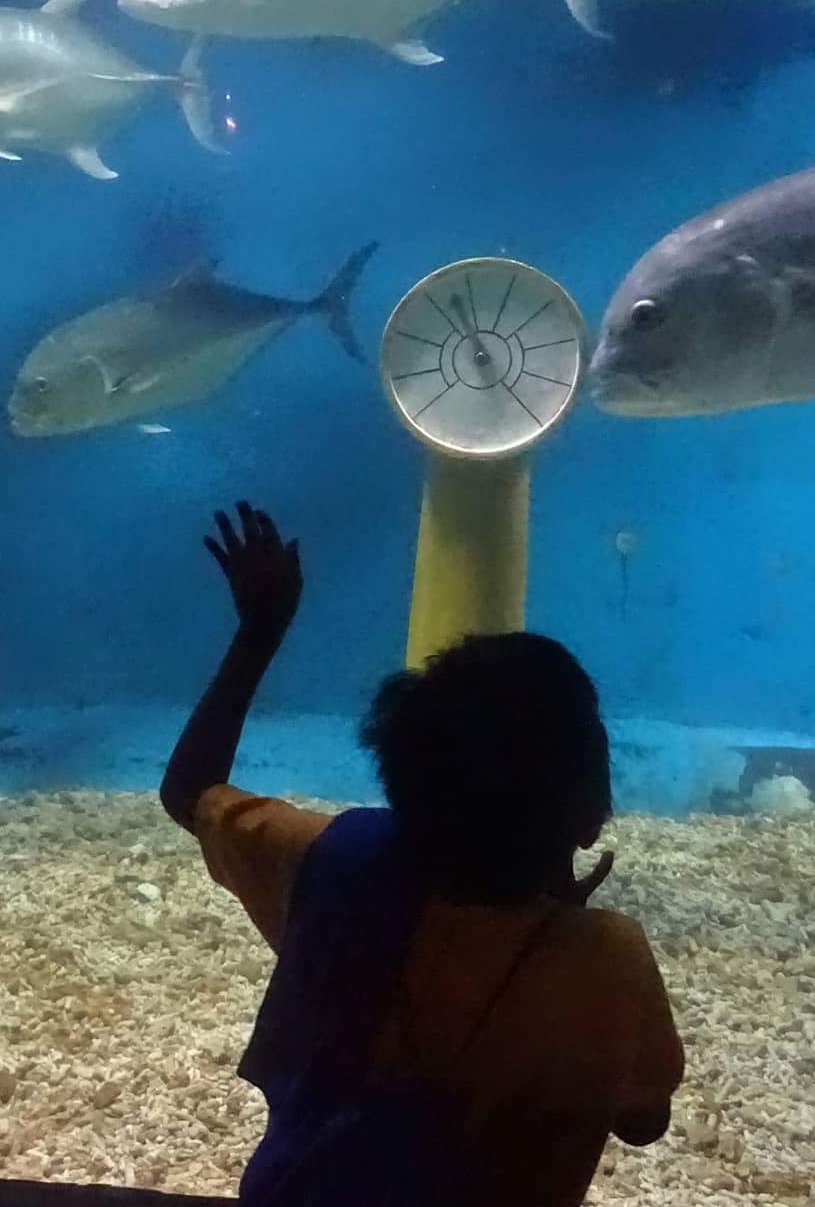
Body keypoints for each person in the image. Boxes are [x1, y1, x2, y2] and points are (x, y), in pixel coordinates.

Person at [163, 502, 684, 1206]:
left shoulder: (333, 861)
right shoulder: (604, 957)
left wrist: (260, 629)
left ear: (400, 778)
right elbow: (645, 1119)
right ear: (591, 810)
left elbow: (189, 790)